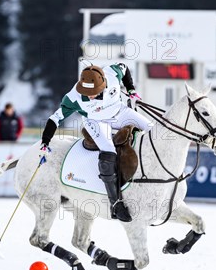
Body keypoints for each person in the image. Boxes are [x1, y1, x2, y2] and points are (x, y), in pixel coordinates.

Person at [40, 63, 151, 222]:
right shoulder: (74, 97)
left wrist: (131, 89)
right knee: (108, 152)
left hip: (120, 112)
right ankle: (116, 204)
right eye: (87, 93)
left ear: (104, 83)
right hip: (97, 122)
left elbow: (125, 69)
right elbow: (55, 118)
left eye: (93, 92)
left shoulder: (112, 74)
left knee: (152, 129)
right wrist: (45, 141)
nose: (90, 96)